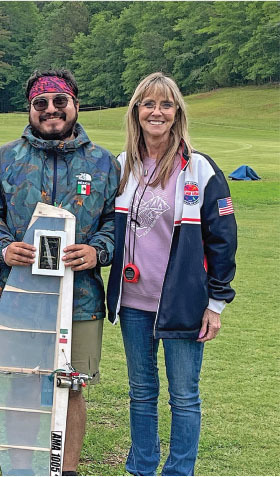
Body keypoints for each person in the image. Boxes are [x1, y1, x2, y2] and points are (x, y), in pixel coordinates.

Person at [0, 69, 119, 476]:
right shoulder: (6, 158)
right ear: (30, 108)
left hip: (82, 297)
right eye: (41, 103)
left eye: (60, 102)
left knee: (72, 386)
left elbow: (115, 221)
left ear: (76, 104)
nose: (51, 110)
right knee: (22, 386)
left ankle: (67, 471)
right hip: (20, 296)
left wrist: (97, 251)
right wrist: (4, 248)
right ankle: (22, 469)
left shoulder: (104, 162)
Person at [106, 72, 237, 476]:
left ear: (176, 111)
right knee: (141, 393)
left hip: (183, 303)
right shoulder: (121, 165)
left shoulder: (200, 169)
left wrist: (215, 304)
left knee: (184, 396)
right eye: (148, 104)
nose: (156, 112)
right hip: (133, 303)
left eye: (165, 104)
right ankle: (142, 468)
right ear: (136, 111)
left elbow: (223, 241)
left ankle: (179, 471)